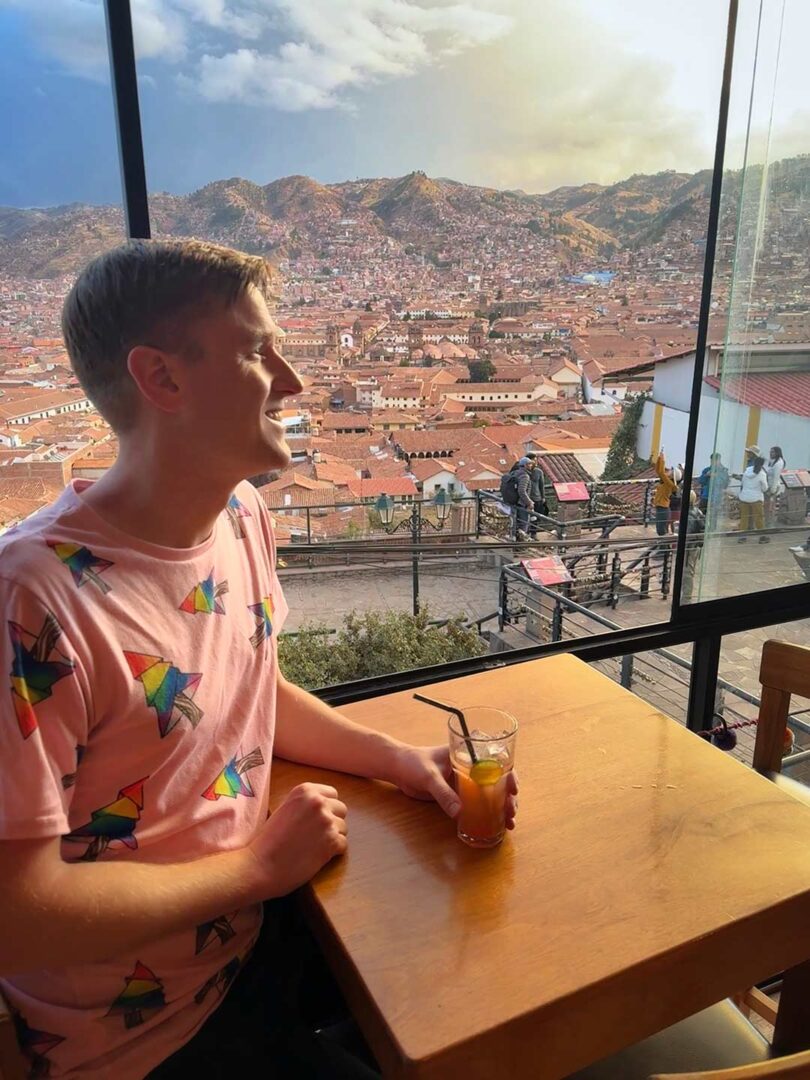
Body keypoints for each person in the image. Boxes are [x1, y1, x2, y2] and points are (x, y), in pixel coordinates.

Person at [0, 240, 520, 1080]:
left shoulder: (240, 514)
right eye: (256, 352)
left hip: (260, 935)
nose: (293, 382)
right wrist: (256, 870)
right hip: (143, 1039)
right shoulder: (32, 602)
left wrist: (402, 762)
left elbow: (250, 688)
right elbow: (18, 916)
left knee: (490, 985)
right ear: (161, 380)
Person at [737, 453, 769, 542]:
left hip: (744, 497)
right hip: (756, 499)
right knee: (759, 518)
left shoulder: (747, 471)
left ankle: (742, 537)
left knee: (744, 518)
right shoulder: (762, 474)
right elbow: (765, 488)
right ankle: (762, 537)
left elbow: (743, 483)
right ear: (762, 464)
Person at [682, 490, 705, 601]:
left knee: (687, 573)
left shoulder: (688, 515)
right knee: (689, 571)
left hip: (688, 548)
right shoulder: (698, 511)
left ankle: (686, 599)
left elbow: (687, 532)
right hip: (695, 547)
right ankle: (685, 597)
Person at [697, 452, 729, 530]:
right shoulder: (707, 470)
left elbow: (725, 484)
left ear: (719, 460)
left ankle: (711, 529)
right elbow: (700, 481)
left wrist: (716, 477)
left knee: (713, 515)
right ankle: (701, 528)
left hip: (716, 497)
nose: (713, 462)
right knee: (701, 514)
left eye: (715, 460)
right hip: (705, 496)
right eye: (712, 460)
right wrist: (706, 475)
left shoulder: (723, 471)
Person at [653, 450, 677, 541]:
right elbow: (658, 471)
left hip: (663, 509)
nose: (668, 471)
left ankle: (664, 551)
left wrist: (663, 458)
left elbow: (662, 473)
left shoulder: (669, 484)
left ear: (672, 477)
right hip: (661, 508)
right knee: (661, 530)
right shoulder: (666, 483)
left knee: (661, 531)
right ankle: (664, 551)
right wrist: (659, 458)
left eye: (670, 472)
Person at [525, 452, 547, 539]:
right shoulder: (524, 471)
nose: (535, 462)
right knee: (526, 517)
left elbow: (541, 485)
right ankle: (525, 533)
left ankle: (533, 533)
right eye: (533, 460)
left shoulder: (538, 472)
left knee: (535, 518)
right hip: (526, 498)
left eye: (535, 460)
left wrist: (543, 497)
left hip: (536, 498)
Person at [513, 456, 534, 540]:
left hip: (514, 501)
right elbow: (521, 491)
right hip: (521, 503)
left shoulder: (515, 473)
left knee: (515, 524)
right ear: (525, 465)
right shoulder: (525, 476)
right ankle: (521, 544)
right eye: (529, 464)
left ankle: (516, 541)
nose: (531, 466)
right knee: (524, 524)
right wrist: (529, 502)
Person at [765, 445, 785, 529]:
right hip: (768, 486)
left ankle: (770, 524)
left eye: (772, 452)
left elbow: (776, 477)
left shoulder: (779, 462)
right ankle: (767, 522)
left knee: (771, 507)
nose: (770, 453)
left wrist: (772, 490)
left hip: (773, 487)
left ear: (777, 453)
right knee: (767, 506)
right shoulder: (771, 461)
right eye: (770, 451)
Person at [668, 466, 683, 533]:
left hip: (674, 508)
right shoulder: (678, 485)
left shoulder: (675, 487)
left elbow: (676, 499)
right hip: (675, 508)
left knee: (673, 523)